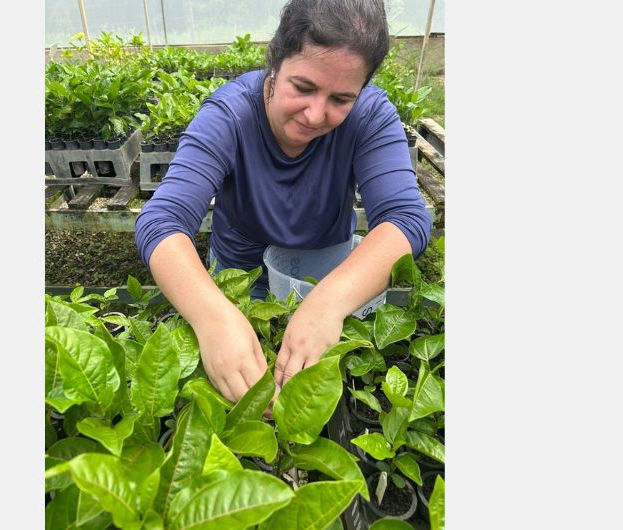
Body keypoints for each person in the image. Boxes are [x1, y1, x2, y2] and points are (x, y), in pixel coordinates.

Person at [134, 0, 431, 405]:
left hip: (324, 282)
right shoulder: (230, 115)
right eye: (303, 88)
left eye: (341, 99)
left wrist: (328, 303)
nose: (315, 114)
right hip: (239, 284)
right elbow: (162, 220)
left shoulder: (370, 117)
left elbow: (406, 218)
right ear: (275, 61)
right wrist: (212, 317)